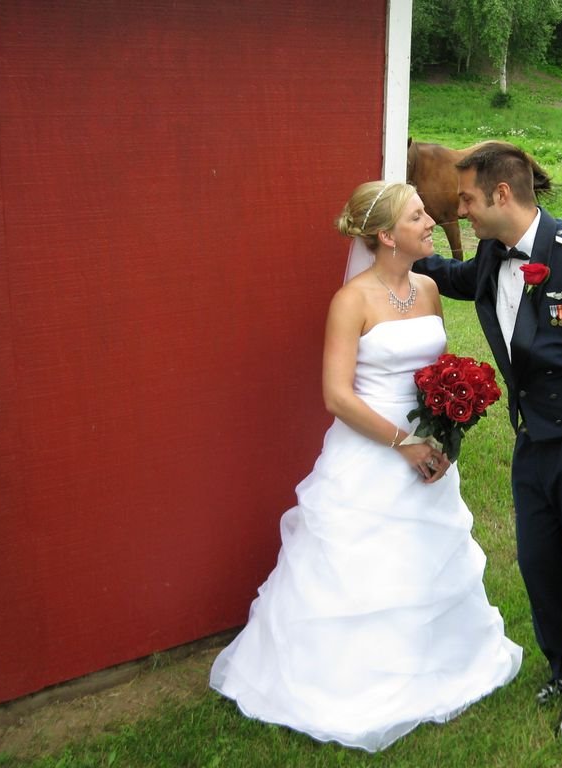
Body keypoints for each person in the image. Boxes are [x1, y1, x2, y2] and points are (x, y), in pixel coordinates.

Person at [210, 181, 522, 752]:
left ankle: (434, 660)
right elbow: (336, 395)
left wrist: (447, 426)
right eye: (418, 216)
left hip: (428, 453)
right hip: (371, 453)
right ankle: (355, 678)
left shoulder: (428, 289)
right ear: (385, 235)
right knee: (363, 569)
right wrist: (402, 441)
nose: (432, 221)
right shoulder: (351, 300)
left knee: (424, 561)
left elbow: (433, 371)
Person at [413, 142, 562, 741]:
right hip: (533, 445)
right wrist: (405, 251)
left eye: (465, 199)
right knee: (541, 567)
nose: (459, 210)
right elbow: (458, 277)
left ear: (500, 194)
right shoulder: (494, 256)